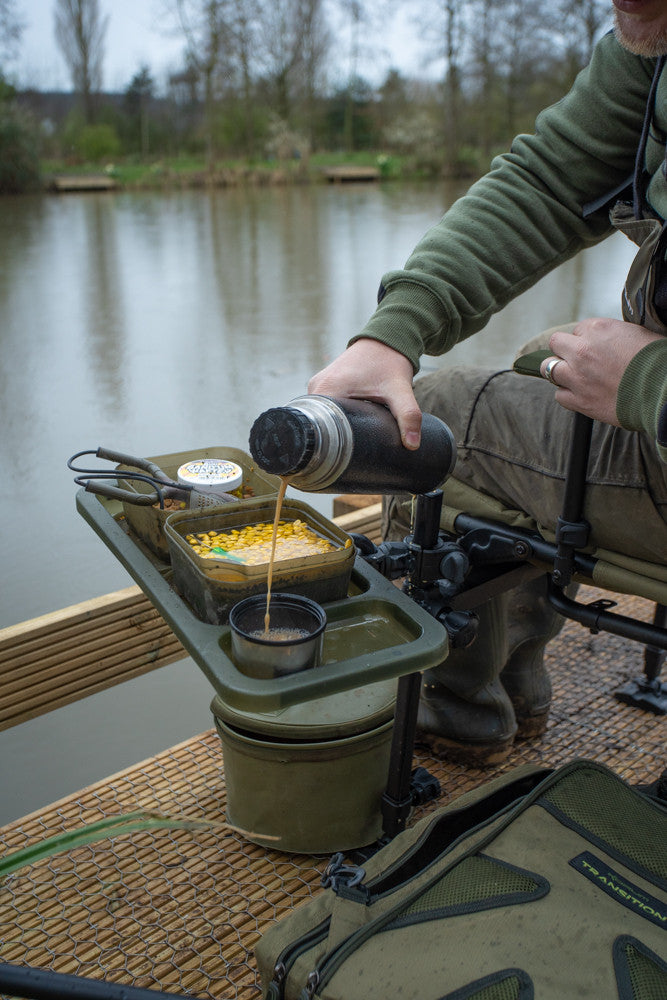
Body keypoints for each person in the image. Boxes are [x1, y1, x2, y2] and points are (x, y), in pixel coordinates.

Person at [307, 0, 667, 764]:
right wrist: (394, 330)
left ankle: (461, 712)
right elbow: (548, 178)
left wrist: (646, 384)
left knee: (434, 423)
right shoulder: (652, 42)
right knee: (534, 366)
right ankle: (515, 693)